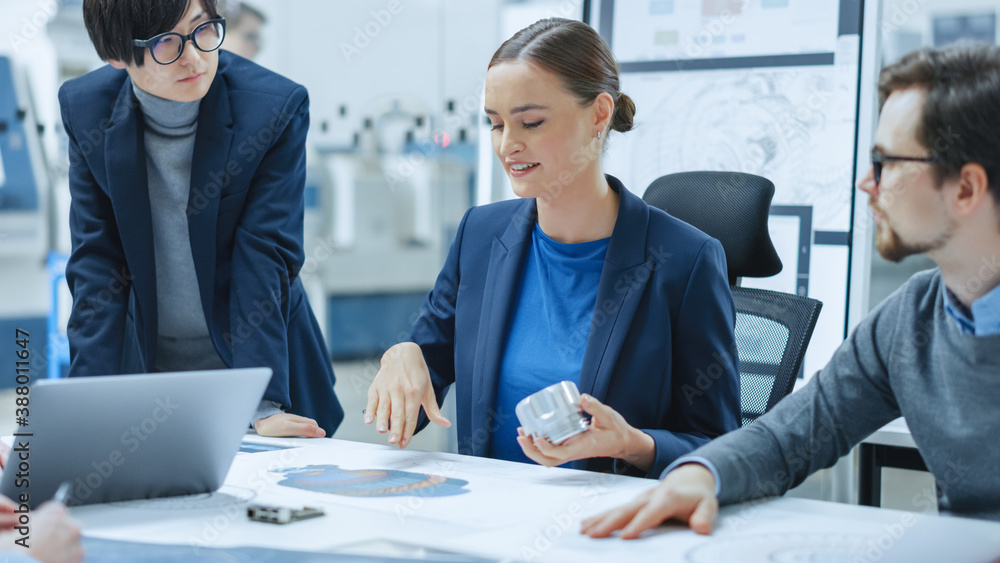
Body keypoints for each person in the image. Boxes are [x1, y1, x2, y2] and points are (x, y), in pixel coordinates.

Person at [582, 42, 1000, 538]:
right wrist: (698, 475)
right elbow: (790, 436)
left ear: (967, 189)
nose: (867, 183)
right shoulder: (913, 318)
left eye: (886, 163)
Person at [365, 18, 739, 478]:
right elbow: (424, 378)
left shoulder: (685, 260)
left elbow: (719, 447)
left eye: (531, 122)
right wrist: (401, 357)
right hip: (487, 522)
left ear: (599, 115)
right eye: (495, 124)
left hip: (608, 535)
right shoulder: (480, 235)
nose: (507, 145)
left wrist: (635, 444)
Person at [61, 0, 343, 437]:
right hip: (149, 366)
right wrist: (84, 405)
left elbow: (264, 254)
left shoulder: (272, 109)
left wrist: (262, 401)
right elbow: (96, 263)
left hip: (261, 362)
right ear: (116, 55)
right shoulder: (85, 110)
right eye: (165, 42)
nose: (193, 56)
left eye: (203, 29)